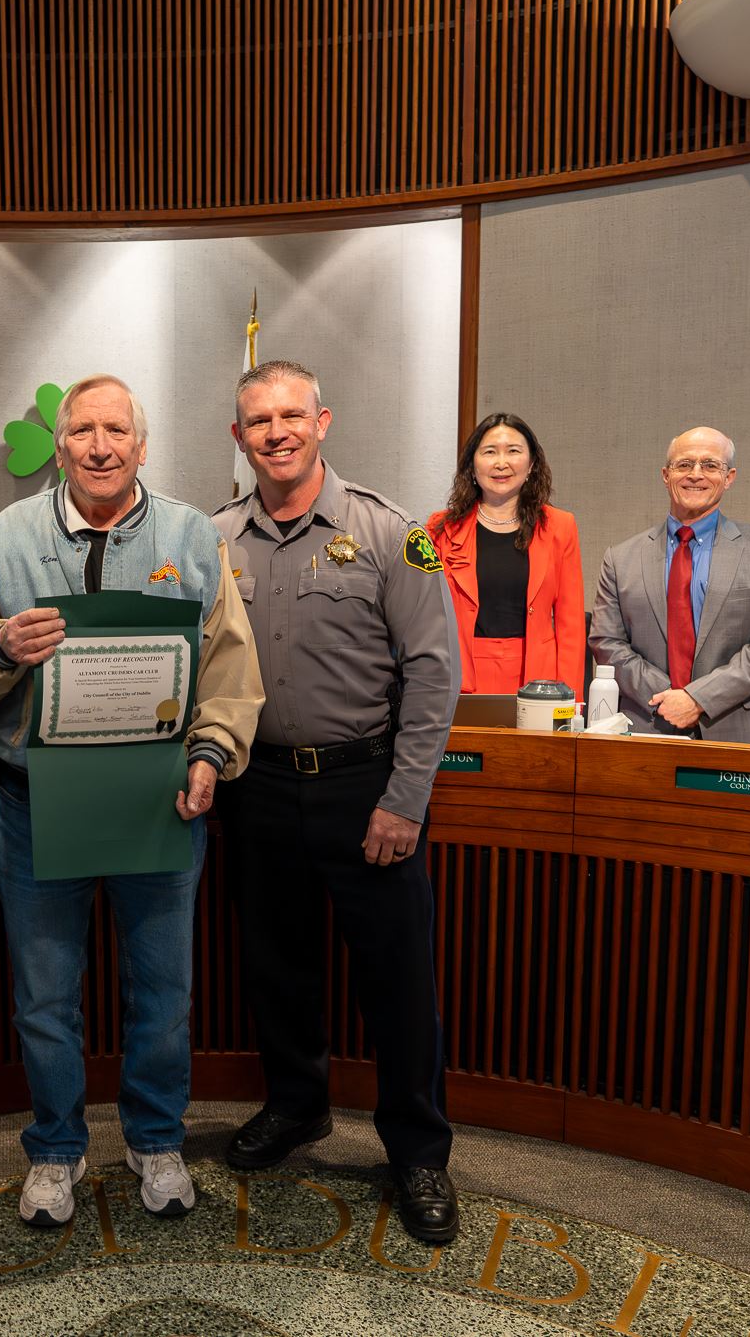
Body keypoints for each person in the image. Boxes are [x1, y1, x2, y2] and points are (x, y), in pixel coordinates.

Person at [0, 373, 263, 1228]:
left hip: (158, 800)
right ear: (61, 444)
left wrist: (211, 753)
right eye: (83, 429)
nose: (99, 444)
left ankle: (155, 1137)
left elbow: (230, 664)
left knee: (163, 990)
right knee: (45, 993)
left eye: (116, 430)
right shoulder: (9, 535)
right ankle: (56, 1148)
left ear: (141, 443)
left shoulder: (190, 536)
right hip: (34, 800)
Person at [212, 360, 463, 1245]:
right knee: (275, 964)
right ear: (236, 436)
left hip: (367, 787)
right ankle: (296, 1106)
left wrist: (406, 800)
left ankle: (419, 1147)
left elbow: (436, 672)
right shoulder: (213, 540)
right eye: (257, 420)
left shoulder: (393, 531)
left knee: (397, 981)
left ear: (324, 419)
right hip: (259, 787)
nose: (275, 431)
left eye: (290, 415)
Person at [588, 426, 750, 741]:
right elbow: (607, 643)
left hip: (739, 733)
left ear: (729, 478)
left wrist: (697, 699)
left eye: (710, 465)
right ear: (665, 475)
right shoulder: (620, 558)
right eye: (684, 464)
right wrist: (669, 698)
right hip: (647, 725)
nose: (696, 474)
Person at [426, 412, 586, 695]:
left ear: (532, 463)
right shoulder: (440, 528)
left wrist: (571, 701)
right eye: (490, 452)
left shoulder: (561, 527)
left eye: (513, 451)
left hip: (538, 680)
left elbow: (570, 623)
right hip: (459, 677)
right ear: (472, 466)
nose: (501, 463)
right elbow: (425, 618)